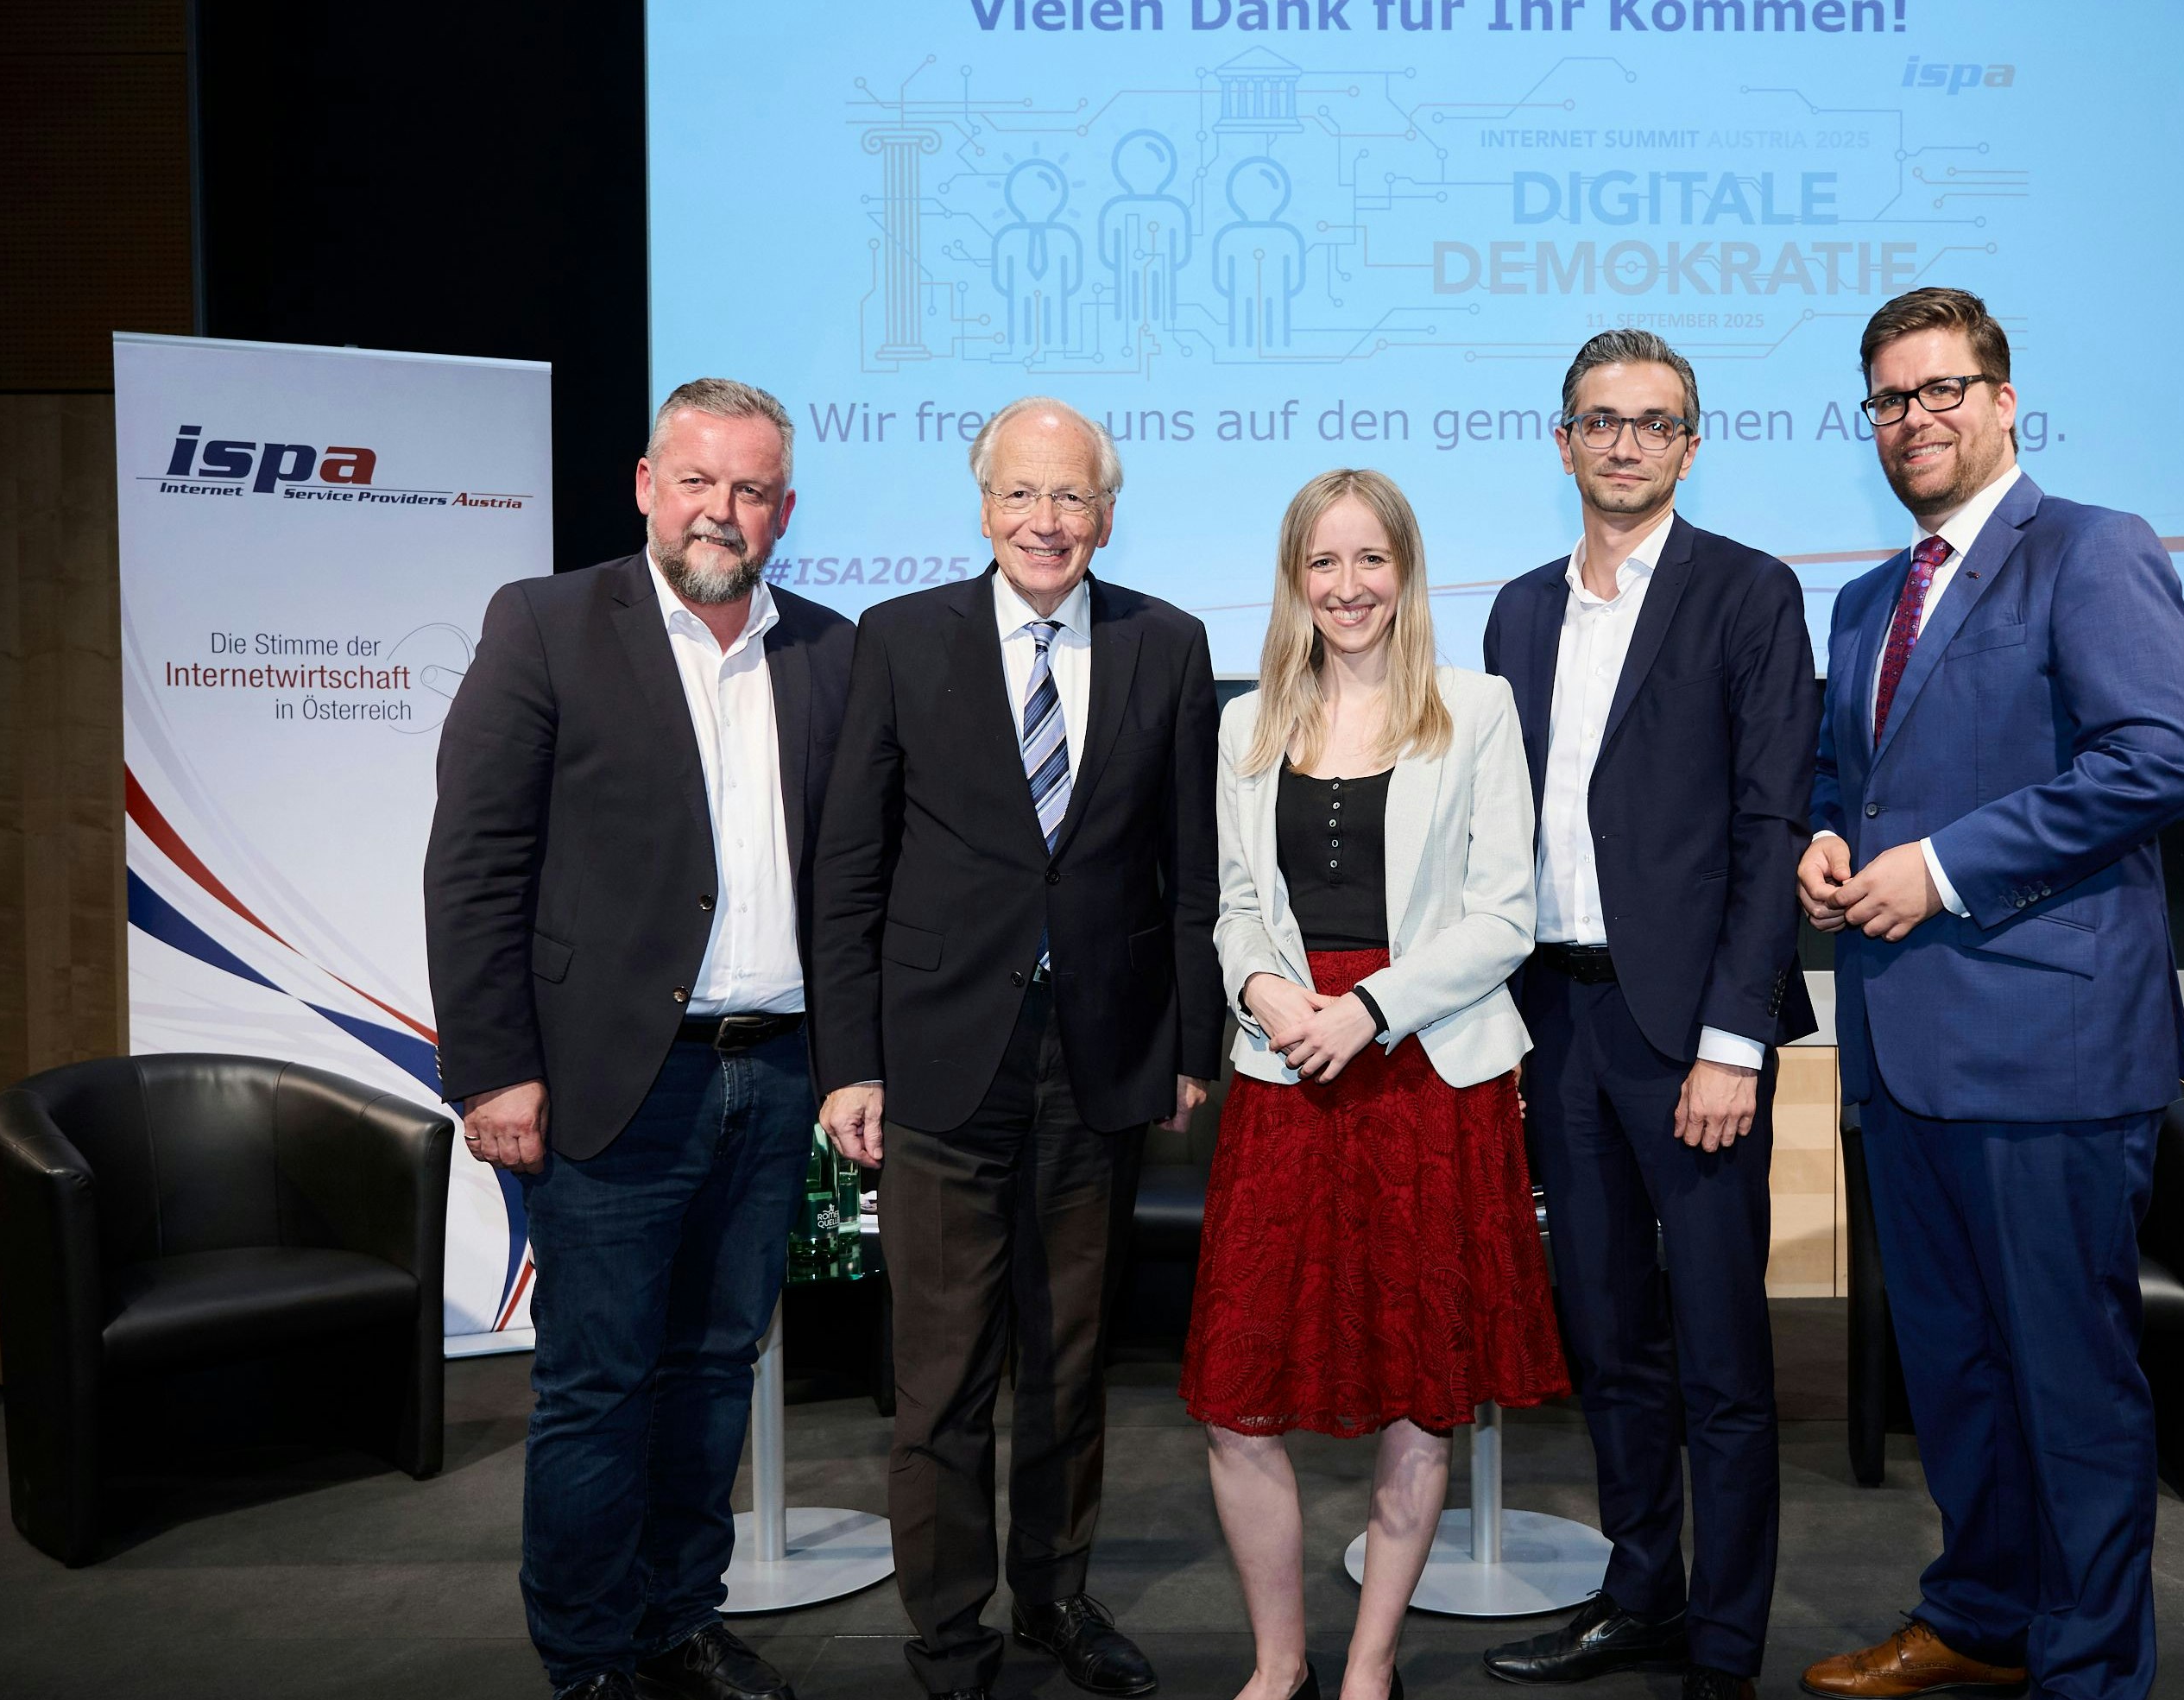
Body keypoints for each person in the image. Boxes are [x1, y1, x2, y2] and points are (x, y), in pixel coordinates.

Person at [1795, 287, 2184, 1700]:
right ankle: (1981, 1615)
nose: (1916, 418)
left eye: (1941, 390)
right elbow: (1840, 774)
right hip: (1903, 1054)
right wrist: (1827, 834)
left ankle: (2092, 1670)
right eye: (1891, 399)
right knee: (1959, 1375)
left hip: (2050, 1054)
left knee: (2071, 1388)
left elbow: (2158, 756)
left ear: (2005, 398)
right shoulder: (1864, 599)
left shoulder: (2091, 551)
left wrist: (1945, 868)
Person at [424, 378, 855, 1700]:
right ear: (645, 485)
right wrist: (493, 1065)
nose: (722, 510)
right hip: (609, 1080)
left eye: (751, 489)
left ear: (785, 509)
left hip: (773, 1075)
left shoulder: (830, 649)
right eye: (698, 481)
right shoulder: (549, 623)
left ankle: (678, 1620)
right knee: (599, 1385)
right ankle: (590, 1654)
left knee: (715, 1370)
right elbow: (476, 862)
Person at [812, 397, 1221, 1700]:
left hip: (1098, 1058)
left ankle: (1054, 1594)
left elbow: (1190, 876)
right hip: (939, 1058)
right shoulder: (900, 638)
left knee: (1070, 1357)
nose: (1048, 523)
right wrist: (848, 1059)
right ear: (983, 505)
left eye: (1074, 499)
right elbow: (850, 870)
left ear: (1109, 512)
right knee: (940, 1370)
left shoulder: (1170, 643)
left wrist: (1189, 1045)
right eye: (1023, 497)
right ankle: (947, 1630)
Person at [1186, 469, 1569, 1700]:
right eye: (1323, 563)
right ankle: (1277, 1661)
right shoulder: (1245, 723)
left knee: (1420, 1387)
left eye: (1371, 561)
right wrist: (1263, 994)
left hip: (1426, 1073)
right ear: (1295, 578)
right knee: (1238, 1394)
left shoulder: (1478, 706)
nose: (1348, 587)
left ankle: (1365, 1667)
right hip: (1285, 1070)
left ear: (1406, 569)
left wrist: (1372, 1007)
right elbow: (1236, 907)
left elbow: (1510, 912)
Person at [1478, 330, 1822, 1700]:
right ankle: (1641, 1597)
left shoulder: (1749, 593)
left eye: (1655, 423)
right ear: (1560, 440)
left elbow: (1766, 826)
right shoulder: (1513, 610)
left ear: (1690, 443)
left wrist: (1734, 1040)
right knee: (1608, 1335)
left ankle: (1725, 1643)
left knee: (1724, 1356)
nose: (1626, 443)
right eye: (1601, 421)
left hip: (1692, 1039)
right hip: (1554, 1023)